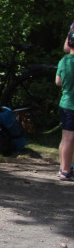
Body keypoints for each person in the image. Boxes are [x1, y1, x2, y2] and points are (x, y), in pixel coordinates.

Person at [56, 38, 74, 180]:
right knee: (70, 138)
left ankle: (63, 166)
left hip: (65, 103)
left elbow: (58, 82)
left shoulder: (64, 60)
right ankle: (66, 170)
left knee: (65, 138)